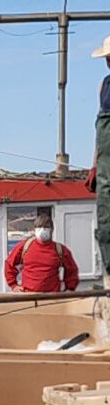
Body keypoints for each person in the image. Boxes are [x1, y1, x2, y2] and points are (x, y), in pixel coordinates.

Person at [3, 210, 79, 294]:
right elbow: (9, 263)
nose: (42, 230)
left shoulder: (60, 249)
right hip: (28, 297)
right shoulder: (24, 246)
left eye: (46, 227)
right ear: (35, 229)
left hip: (52, 298)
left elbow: (72, 270)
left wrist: (70, 288)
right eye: (39, 227)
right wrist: (13, 285)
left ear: (52, 229)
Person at [88, 33, 110, 288]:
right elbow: (98, 131)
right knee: (105, 223)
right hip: (106, 162)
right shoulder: (103, 85)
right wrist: (94, 163)